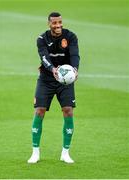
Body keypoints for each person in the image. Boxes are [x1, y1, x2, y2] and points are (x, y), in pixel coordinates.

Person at [27, 12, 80, 164]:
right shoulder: (42, 39)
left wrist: (75, 68)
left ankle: (65, 153)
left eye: (60, 22)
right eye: (54, 23)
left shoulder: (71, 37)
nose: (58, 25)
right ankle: (35, 152)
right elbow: (44, 57)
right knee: (39, 111)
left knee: (68, 111)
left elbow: (75, 55)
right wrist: (52, 69)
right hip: (46, 79)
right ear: (49, 24)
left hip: (65, 81)